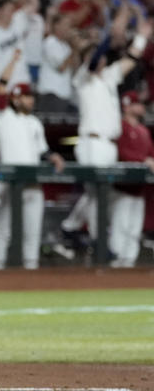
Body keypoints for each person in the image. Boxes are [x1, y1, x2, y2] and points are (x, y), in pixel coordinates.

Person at [59, 31, 142, 244]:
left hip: (109, 143)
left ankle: (72, 226)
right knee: (97, 190)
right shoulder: (82, 77)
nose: (101, 59)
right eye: (95, 55)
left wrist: (142, 35)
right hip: (91, 142)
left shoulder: (109, 76)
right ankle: (97, 240)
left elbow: (132, 59)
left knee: (100, 192)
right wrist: (108, 38)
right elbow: (94, 60)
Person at [0, 74, 65, 270]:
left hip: (33, 183)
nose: (31, 100)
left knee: (33, 232)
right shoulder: (3, 117)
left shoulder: (34, 122)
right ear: (15, 99)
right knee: (4, 229)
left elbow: (42, 150)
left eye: (31, 96)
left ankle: (30, 271)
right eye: (26, 96)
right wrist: (12, 62)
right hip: (10, 183)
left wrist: (53, 156)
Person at [109, 91, 154, 268]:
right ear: (127, 106)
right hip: (122, 187)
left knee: (134, 229)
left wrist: (148, 159)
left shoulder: (143, 130)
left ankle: (129, 265)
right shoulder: (119, 127)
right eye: (137, 103)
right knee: (120, 226)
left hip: (139, 188)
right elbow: (121, 153)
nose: (141, 107)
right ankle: (117, 262)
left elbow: (151, 153)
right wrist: (143, 160)